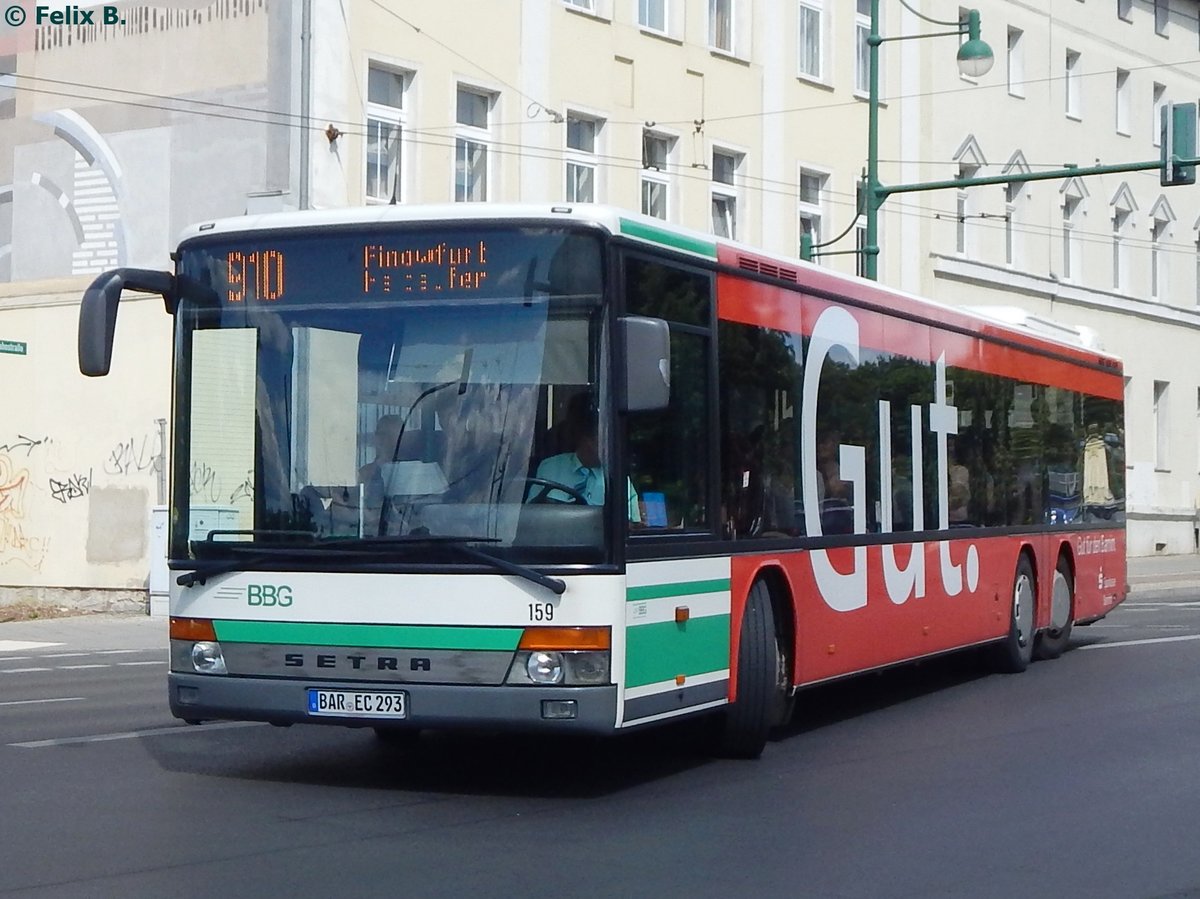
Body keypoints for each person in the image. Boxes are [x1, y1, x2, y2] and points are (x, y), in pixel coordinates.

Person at [529, 399, 641, 522]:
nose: (610, 444)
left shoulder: (618, 479)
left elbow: (631, 526)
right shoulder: (550, 468)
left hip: (602, 540)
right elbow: (529, 517)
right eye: (602, 437)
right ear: (585, 439)